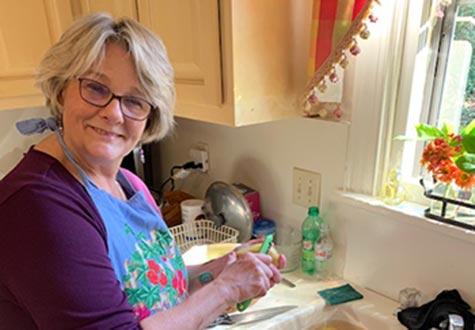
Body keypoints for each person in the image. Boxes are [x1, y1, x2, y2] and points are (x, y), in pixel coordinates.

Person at [0, 13, 284, 329]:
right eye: (95, 88)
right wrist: (226, 289)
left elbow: (153, 292)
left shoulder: (129, 183)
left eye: (135, 101)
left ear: (149, 116)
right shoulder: (37, 205)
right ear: (60, 89)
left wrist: (220, 269)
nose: (112, 112)